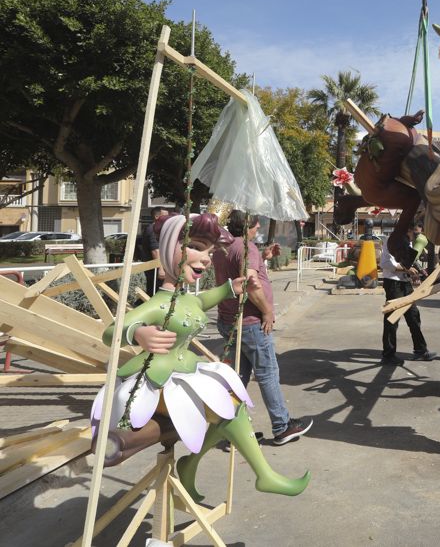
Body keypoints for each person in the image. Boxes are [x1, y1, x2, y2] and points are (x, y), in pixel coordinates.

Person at [92, 213, 309, 501]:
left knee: (231, 405)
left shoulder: (186, 298)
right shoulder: (160, 302)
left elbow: (204, 300)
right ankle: (254, 474)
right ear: (171, 248)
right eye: (196, 246)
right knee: (228, 407)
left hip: (183, 373)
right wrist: (139, 333)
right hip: (157, 380)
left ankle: (198, 465)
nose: (206, 259)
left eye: (209, 251)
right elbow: (111, 332)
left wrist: (234, 288)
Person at [213, 210, 314, 446]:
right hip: (250, 323)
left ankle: (232, 430)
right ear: (248, 227)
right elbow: (250, 282)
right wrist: (267, 310)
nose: (258, 230)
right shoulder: (247, 248)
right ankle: (282, 426)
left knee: (238, 377)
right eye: (257, 226)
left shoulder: (225, 248)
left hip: (230, 321)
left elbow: (241, 272)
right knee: (267, 373)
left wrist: (264, 258)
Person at [379, 230, 437, 365]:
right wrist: (406, 269)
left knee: (413, 316)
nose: (417, 233)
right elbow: (386, 263)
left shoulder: (408, 241)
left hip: (405, 283)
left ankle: (420, 350)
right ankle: (388, 354)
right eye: (415, 229)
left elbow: (409, 261)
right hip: (393, 283)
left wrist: (414, 272)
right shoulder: (391, 241)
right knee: (392, 318)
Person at [138, 206, 170, 295]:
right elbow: (155, 250)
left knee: (156, 292)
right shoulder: (153, 229)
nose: (168, 218)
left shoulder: (157, 229)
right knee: (155, 293)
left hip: (156, 268)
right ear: (157, 217)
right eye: (165, 216)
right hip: (154, 269)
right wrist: (160, 269)